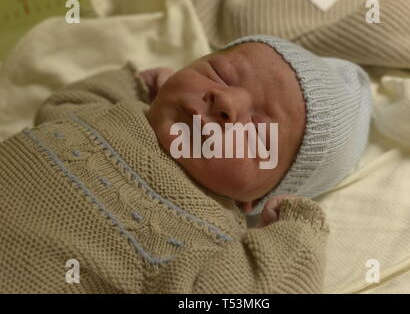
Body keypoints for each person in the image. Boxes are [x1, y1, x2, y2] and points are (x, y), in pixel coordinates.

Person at [0, 35, 372, 293]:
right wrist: (134, 84)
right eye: (219, 74)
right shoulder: (114, 112)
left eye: (259, 130)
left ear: (257, 198)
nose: (226, 101)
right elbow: (62, 105)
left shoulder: (208, 238)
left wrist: (297, 234)